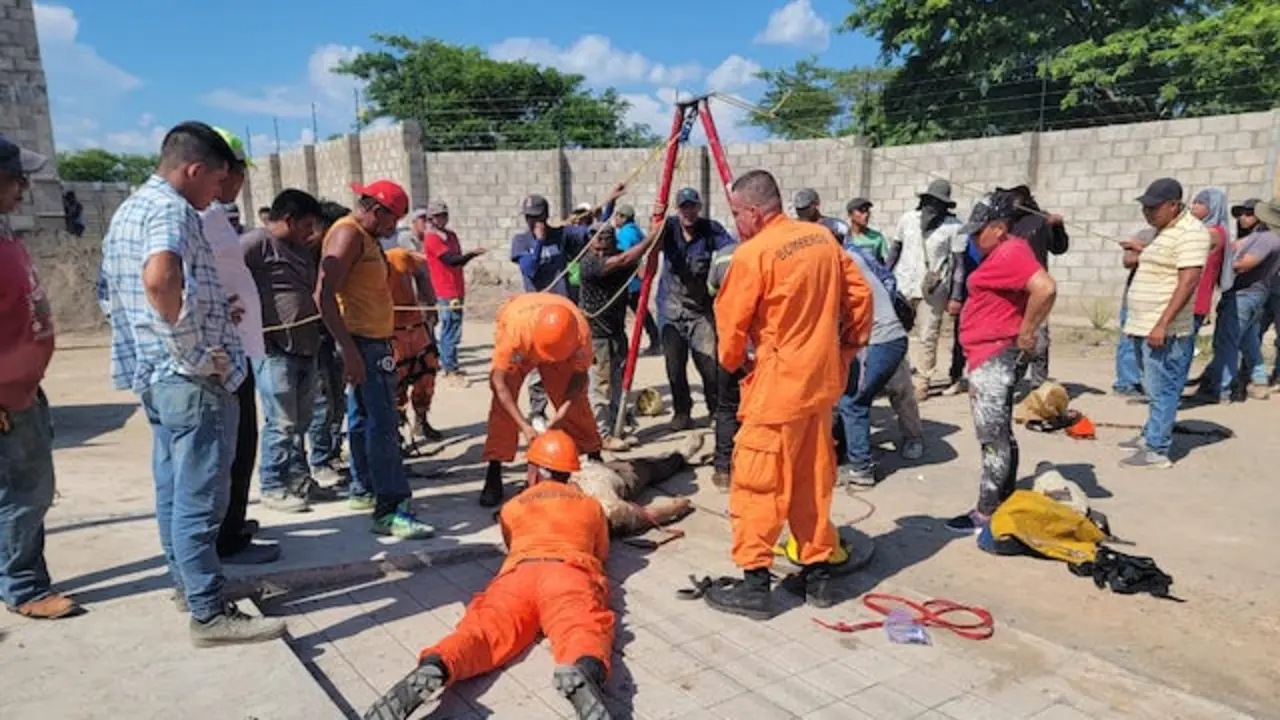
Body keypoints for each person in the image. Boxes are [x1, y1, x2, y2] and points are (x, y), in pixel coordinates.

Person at [102, 121, 285, 645]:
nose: (215, 197)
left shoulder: (129, 211)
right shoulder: (170, 210)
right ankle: (209, 613)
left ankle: (187, 586)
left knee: (173, 488)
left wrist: (201, 314)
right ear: (195, 169)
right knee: (202, 497)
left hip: (158, 376)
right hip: (190, 378)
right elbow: (159, 280)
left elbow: (113, 293)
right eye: (215, 182)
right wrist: (199, 350)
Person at [706, 169, 872, 618]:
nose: (735, 221)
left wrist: (735, 362)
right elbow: (860, 299)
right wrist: (845, 352)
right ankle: (818, 580)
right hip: (820, 388)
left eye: (737, 213)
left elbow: (730, 329)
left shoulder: (753, 253)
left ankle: (756, 585)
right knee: (812, 483)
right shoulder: (822, 241)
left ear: (755, 212)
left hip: (776, 390)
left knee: (757, 485)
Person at [366, 431, 614, 720]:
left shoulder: (512, 508)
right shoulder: (590, 505)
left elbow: (511, 546)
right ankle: (584, 668)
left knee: (482, 632)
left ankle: (439, 664)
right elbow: (601, 553)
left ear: (533, 470)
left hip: (518, 576)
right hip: (567, 574)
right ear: (570, 472)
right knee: (581, 628)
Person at [315, 179, 434, 538]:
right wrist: (348, 350)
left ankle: (364, 488)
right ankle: (391, 508)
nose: (393, 228)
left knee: (365, 421)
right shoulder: (347, 234)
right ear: (377, 210)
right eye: (392, 219)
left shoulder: (363, 238)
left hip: (371, 342)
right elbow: (323, 293)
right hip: (363, 344)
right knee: (384, 425)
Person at [0, 135, 80, 620]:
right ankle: (25, 587)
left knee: (28, 487)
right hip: (6, 396)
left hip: (24, 387)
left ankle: (20, 573)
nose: (24, 188)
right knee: (25, 491)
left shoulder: (5, 231)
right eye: (15, 177)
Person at [947, 192, 1057, 534]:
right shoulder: (1004, 251)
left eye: (979, 231)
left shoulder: (1011, 251)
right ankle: (1001, 498)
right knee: (999, 431)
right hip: (987, 352)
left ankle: (986, 511)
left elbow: (1045, 288)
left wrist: (1028, 330)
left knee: (992, 435)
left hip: (994, 355)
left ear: (997, 228)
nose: (974, 238)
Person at [199, 128, 275, 564]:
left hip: (236, 352)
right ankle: (223, 539)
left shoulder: (214, 214)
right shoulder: (196, 218)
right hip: (220, 355)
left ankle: (232, 523)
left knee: (243, 442)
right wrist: (213, 314)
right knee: (229, 449)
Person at [243, 189, 337, 513]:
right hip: (274, 350)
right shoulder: (257, 243)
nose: (310, 232)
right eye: (306, 224)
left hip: (305, 346)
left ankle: (299, 480)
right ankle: (272, 485)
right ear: (288, 219)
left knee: (300, 422)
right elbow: (224, 276)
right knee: (280, 422)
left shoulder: (300, 248)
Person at [510, 189, 622, 426]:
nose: (533, 221)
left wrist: (611, 201)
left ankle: (570, 411)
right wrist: (539, 242)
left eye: (537, 216)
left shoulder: (562, 235)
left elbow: (595, 232)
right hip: (537, 313)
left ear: (546, 215)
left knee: (569, 363)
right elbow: (529, 269)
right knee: (539, 364)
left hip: (563, 311)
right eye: (529, 217)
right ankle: (537, 411)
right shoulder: (521, 241)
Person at [1119, 178, 1209, 469]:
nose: (1147, 213)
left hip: (1163, 328)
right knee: (1150, 385)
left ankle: (1157, 449)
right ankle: (1151, 434)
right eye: (1144, 207)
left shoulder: (1191, 233)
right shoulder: (1164, 230)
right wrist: (1140, 249)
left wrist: (1162, 324)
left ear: (1173, 205)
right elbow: (1164, 266)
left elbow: (1188, 280)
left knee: (1163, 389)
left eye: (1153, 208)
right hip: (1142, 323)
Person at [480, 293, 602, 507]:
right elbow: (498, 382)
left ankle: (593, 456)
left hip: (556, 343)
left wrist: (562, 413)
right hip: (522, 335)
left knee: (577, 405)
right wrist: (524, 426)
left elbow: (580, 377)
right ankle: (494, 469)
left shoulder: (579, 333)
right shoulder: (516, 333)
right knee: (502, 408)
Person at [656, 187, 734, 431]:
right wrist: (654, 222)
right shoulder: (668, 227)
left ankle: (715, 409)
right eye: (684, 207)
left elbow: (731, 252)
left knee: (709, 364)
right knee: (675, 366)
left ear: (699, 207)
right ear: (678, 210)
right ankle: (682, 412)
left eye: (692, 206)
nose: (688, 211)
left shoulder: (711, 230)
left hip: (700, 310)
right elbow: (652, 246)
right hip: (670, 307)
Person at [578, 224, 660, 449]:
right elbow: (622, 262)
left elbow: (644, 274)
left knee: (618, 384)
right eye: (598, 238)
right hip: (597, 336)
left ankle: (617, 429)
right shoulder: (589, 263)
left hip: (616, 333)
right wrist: (650, 237)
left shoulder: (618, 260)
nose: (602, 243)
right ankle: (602, 434)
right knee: (600, 386)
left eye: (607, 238)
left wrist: (651, 248)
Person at [835, 246, 911, 487]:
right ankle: (851, 454)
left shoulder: (837, 265)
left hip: (880, 340)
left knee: (853, 401)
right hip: (887, 338)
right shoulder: (853, 256)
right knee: (851, 395)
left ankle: (861, 469)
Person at [890, 179, 966, 401]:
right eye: (930, 202)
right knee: (894, 333)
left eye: (939, 204)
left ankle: (922, 382)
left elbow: (959, 264)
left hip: (933, 290)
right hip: (903, 284)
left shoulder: (954, 227)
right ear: (924, 201)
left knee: (928, 336)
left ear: (945, 206)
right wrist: (883, 277)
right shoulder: (907, 220)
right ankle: (895, 378)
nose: (933, 208)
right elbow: (895, 250)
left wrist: (956, 296)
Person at [1199, 202, 1280, 402]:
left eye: (1248, 214)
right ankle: (1258, 380)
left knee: (1227, 342)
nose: (1243, 218)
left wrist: (1222, 265)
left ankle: (1223, 390)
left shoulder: (1268, 239)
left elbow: (1244, 264)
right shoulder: (1260, 235)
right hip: (1253, 295)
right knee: (1249, 341)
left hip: (1245, 294)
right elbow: (1235, 246)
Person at [998, 185, 1069, 386]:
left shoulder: (1040, 221)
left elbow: (1059, 248)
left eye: (1016, 197)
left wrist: (1057, 227)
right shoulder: (1004, 224)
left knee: (1039, 341)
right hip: (1010, 292)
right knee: (1011, 341)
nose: (1013, 201)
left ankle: (1038, 387)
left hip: (1036, 291)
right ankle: (1010, 381)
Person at [307, 201, 352, 485]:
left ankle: (333, 453)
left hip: (334, 334)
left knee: (338, 399)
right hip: (313, 339)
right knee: (322, 402)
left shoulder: (333, 255)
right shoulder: (309, 255)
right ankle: (320, 459)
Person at [416, 201, 484, 388]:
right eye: (438, 216)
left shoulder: (451, 236)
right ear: (431, 218)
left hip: (457, 288)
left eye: (444, 215)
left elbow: (458, 263)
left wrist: (469, 256)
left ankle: (452, 364)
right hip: (445, 290)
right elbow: (451, 260)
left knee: (455, 328)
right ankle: (449, 368)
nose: (442, 219)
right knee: (450, 330)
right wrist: (473, 254)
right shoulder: (432, 238)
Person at [385, 247, 442, 441]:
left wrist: (430, 304)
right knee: (396, 379)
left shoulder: (401, 257)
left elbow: (423, 273)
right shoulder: (374, 262)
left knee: (427, 372)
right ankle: (396, 428)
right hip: (391, 328)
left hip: (416, 325)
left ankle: (421, 420)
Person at [706, 239, 741, 493]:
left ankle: (722, 469)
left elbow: (710, 288)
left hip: (728, 341)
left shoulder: (722, 255)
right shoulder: (767, 252)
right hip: (758, 347)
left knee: (726, 407)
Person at [1113, 228, 1157, 398]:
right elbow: (1128, 261)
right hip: (1134, 299)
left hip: (1160, 301)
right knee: (1130, 342)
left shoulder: (1179, 237)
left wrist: (1142, 250)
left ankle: (1149, 384)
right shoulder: (1145, 235)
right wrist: (1138, 250)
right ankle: (1126, 383)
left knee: (1151, 346)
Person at [612, 204, 661, 355]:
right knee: (642, 312)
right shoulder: (636, 231)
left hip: (628, 282)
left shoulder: (625, 234)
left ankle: (623, 348)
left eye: (617, 216)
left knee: (620, 315)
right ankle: (655, 340)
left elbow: (626, 256)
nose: (615, 219)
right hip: (634, 281)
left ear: (623, 217)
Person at [1189, 188, 1233, 340]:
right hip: (1192, 296)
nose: (1193, 206)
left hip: (1193, 297)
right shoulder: (1213, 230)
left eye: (1200, 203)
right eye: (1194, 202)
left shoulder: (1211, 233)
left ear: (1213, 207)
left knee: (1179, 350)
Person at [844, 197, 888, 264]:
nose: (866, 214)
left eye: (867, 211)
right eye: (861, 211)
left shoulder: (877, 237)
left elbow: (885, 263)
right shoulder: (843, 237)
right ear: (850, 215)